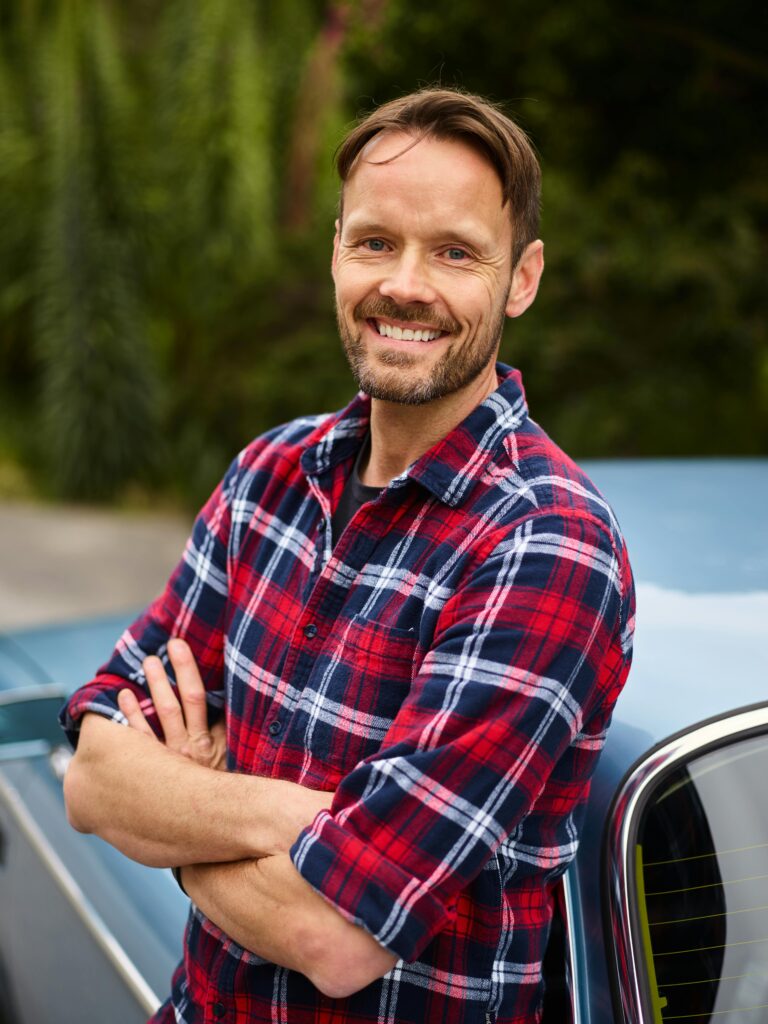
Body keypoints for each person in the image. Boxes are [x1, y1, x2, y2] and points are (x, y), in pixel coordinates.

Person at [61, 88, 635, 1024]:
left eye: (454, 252)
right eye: (374, 242)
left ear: (522, 279)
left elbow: (334, 937)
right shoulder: (269, 476)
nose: (405, 283)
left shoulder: (544, 544)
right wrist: (292, 818)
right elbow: (91, 774)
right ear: (336, 251)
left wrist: (183, 810)